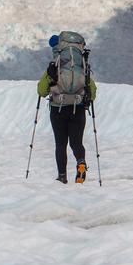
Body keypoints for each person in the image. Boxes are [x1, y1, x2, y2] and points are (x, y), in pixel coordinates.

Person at [37, 32, 97, 184]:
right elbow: (93, 91)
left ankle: (62, 176)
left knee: (61, 144)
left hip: (58, 109)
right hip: (78, 109)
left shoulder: (55, 67)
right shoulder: (81, 67)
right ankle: (81, 162)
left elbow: (42, 91)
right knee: (77, 143)